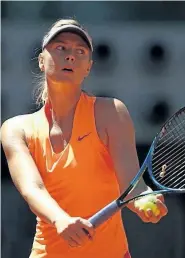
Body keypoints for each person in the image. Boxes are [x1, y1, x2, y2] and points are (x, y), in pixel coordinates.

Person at [1, 18, 168, 258]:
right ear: (41, 61)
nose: (71, 56)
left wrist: (143, 200)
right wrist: (60, 220)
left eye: (80, 51)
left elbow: (132, 185)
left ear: (88, 67)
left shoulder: (111, 112)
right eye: (61, 48)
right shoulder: (15, 129)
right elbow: (32, 188)